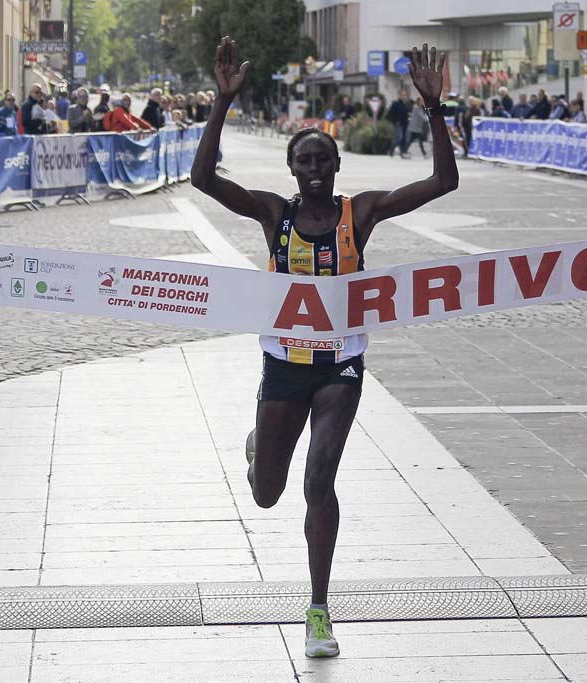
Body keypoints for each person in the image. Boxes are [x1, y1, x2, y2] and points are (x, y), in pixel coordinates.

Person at [190, 36, 458, 660]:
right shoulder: (273, 215)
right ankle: (260, 449)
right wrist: (222, 104)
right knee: (267, 493)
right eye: (303, 162)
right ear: (291, 171)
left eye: (323, 161)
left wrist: (433, 107)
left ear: (336, 168)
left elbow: (443, 180)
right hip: (284, 365)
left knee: (321, 477)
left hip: (341, 364)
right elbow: (202, 178)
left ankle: (318, 610)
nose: (313, 170)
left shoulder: (357, 214)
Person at [386, 89, 410, 158]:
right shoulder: (395, 104)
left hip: (404, 124)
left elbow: (405, 114)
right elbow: (389, 114)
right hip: (398, 124)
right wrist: (395, 121)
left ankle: (402, 153)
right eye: (402, 95)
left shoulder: (404, 104)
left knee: (404, 138)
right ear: (399, 95)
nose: (404, 96)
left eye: (405, 95)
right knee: (399, 138)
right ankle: (391, 149)